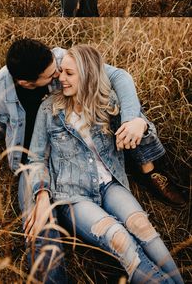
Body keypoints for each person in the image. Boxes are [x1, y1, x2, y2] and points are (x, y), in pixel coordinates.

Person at [26, 45, 184, 283]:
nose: (61, 78)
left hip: (110, 184)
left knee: (143, 228)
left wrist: (139, 124)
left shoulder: (106, 102)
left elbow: (139, 126)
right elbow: (36, 158)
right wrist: (42, 193)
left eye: (70, 73)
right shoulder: (49, 109)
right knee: (120, 239)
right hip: (74, 196)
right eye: (61, 72)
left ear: (88, 74)